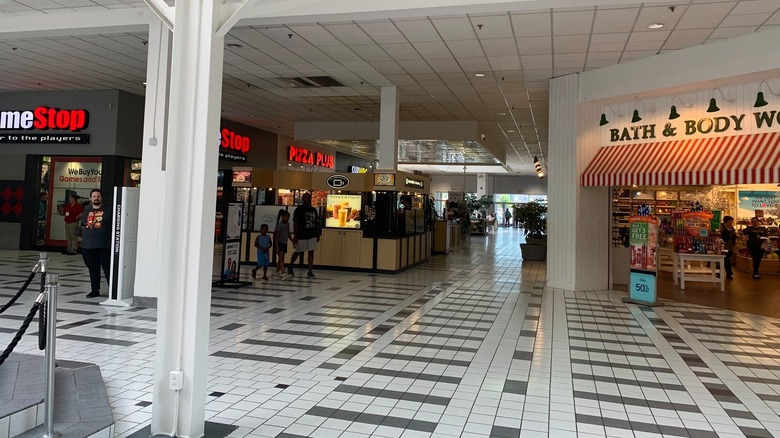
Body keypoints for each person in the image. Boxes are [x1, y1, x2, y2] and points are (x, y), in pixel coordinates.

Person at [80, 189, 111, 298]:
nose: (96, 198)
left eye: (98, 196)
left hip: (104, 246)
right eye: (94, 196)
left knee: (108, 269)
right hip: (87, 246)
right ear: (90, 198)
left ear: (101, 198)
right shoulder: (86, 211)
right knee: (93, 269)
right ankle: (95, 289)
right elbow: (83, 224)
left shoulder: (109, 211)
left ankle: (113, 291)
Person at [288, 192, 320, 279]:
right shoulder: (299, 209)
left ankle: (310, 271)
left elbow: (316, 222)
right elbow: (296, 223)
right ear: (302, 199)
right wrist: (295, 235)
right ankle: (290, 266)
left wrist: (318, 233)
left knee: (311, 252)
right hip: (301, 234)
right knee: (298, 251)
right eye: (305, 197)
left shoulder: (313, 209)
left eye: (308, 197)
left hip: (312, 233)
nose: (306, 199)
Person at [275, 209, 293, 280]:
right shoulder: (280, 225)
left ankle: (276, 272)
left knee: (281, 258)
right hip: (279, 243)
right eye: (286, 217)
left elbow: (288, 233)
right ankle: (283, 273)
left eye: (289, 217)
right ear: (282, 217)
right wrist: (276, 246)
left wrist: (292, 241)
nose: (288, 218)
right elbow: (277, 236)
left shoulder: (287, 224)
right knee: (281, 258)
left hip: (284, 242)